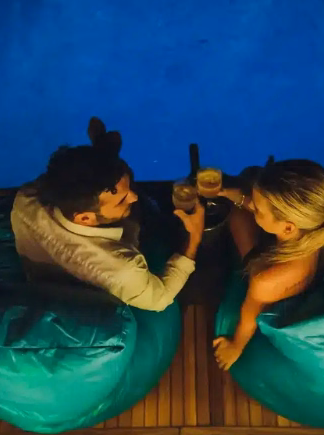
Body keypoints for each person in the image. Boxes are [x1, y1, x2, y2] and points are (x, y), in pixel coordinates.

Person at [10, 123, 206, 311]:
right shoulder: (122, 269)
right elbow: (160, 299)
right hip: (86, 301)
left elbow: (69, 176)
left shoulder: (26, 200)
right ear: (85, 218)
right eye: (122, 200)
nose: (134, 196)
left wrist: (102, 153)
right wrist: (194, 238)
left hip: (44, 278)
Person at [211, 159, 324, 370]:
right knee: (247, 185)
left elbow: (248, 318)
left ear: (288, 228)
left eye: (258, 211)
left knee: (236, 217)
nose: (252, 207)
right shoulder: (314, 225)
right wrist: (228, 193)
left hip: (274, 289)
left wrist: (235, 347)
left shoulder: (266, 280)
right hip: (280, 260)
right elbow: (256, 205)